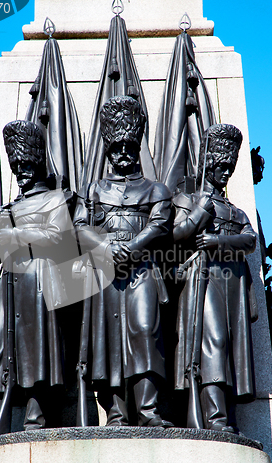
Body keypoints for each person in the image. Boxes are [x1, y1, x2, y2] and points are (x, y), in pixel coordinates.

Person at [73, 96, 173, 427]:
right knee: (108, 340)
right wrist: (105, 246)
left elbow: (160, 225)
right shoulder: (95, 189)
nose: (123, 154)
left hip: (143, 270)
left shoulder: (156, 189)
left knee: (145, 331)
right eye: (116, 148)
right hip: (104, 272)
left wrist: (129, 248)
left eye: (130, 147)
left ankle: (148, 411)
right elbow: (78, 227)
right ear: (107, 148)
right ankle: (115, 414)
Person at [0, 120, 75, 436]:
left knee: (36, 350)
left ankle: (36, 419)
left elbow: (59, 236)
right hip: (7, 284)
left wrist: (17, 231)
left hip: (37, 282)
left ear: (36, 164)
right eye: (16, 165)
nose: (21, 171)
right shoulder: (7, 207)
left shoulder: (54, 200)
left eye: (26, 165)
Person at [172, 123, 257, 433]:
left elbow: (250, 240)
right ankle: (215, 417)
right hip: (202, 282)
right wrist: (200, 213)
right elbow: (175, 238)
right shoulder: (187, 202)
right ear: (208, 164)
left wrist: (218, 242)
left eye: (229, 168)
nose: (225, 173)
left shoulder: (237, 212)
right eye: (220, 166)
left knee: (231, 350)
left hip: (232, 284)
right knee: (213, 343)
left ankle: (227, 418)